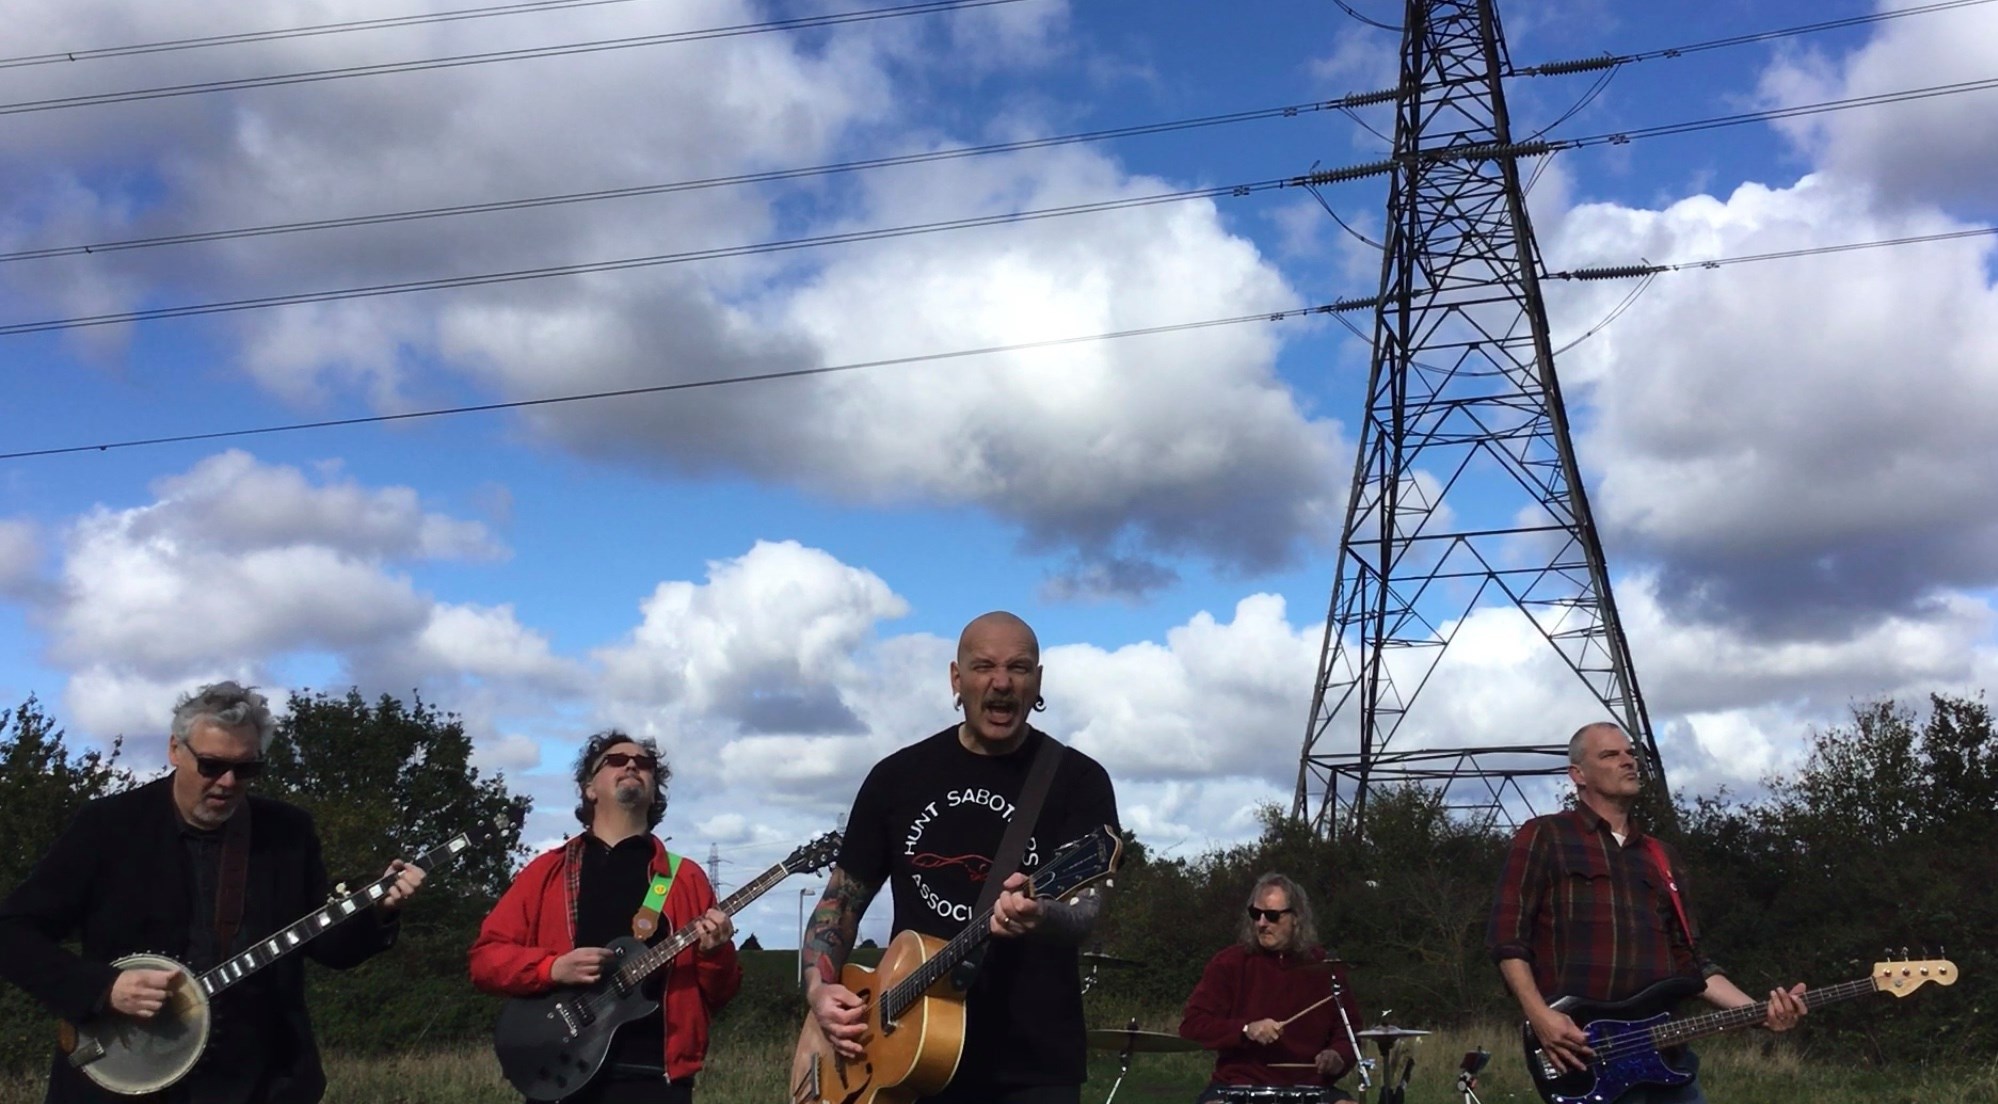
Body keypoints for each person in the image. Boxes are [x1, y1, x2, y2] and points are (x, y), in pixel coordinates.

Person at [0, 681, 425, 1104]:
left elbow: (328, 947)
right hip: (122, 1078)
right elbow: (13, 931)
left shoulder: (288, 832)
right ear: (175, 750)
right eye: (211, 765)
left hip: (260, 1083)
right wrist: (103, 988)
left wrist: (378, 912)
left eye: (246, 769)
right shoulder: (108, 826)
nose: (227, 782)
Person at [800, 611, 1121, 1104]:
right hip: (900, 1055)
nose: (1001, 682)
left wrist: (1040, 914)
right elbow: (840, 903)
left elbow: (1085, 912)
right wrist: (819, 990)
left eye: (1018, 668)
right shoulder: (896, 777)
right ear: (956, 678)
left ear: (1037, 681)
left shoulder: (1077, 780)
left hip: (1033, 1062)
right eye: (983, 666)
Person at [1487, 722, 1808, 1104]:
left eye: (1630, 753)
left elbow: (1692, 965)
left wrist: (1758, 1012)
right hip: (1581, 1053)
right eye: (1610, 755)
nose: (1628, 761)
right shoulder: (1546, 835)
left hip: (1665, 1058)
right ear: (1578, 775)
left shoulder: (1661, 857)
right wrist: (1539, 1015)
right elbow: (1508, 936)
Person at [470, 731, 740, 1103]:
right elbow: (485, 961)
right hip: (560, 1074)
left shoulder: (686, 878)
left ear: (654, 793)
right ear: (590, 789)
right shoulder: (545, 873)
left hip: (655, 1080)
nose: (631, 765)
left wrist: (714, 954)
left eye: (644, 764)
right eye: (615, 760)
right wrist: (552, 969)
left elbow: (721, 993)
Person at [1179, 873, 1360, 1103]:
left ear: (1296, 918)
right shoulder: (1229, 963)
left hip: (1311, 1089)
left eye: (1272, 916)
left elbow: (1349, 1031)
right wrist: (1245, 1029)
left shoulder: (1326, 967)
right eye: (1256, 914)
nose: (1261, 924)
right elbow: (1192, 1026)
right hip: (1237, 1086)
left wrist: (1337, 1056)